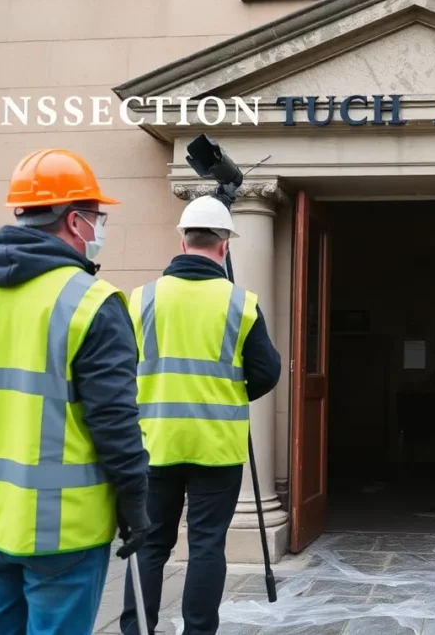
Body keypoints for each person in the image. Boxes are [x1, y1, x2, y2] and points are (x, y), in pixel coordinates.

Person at [0, 149, 152, 635]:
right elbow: (114, 420)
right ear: (75, 221)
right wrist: (137, 505)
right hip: (62, 528)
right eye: (99, 217)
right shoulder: (92, 301)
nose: (101, 228)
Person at [120, 195, 282, 635]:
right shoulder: (240, 303)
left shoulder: (141, 300)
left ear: (183, 240)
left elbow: (117, 371)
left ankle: (137, 629)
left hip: (154, 443)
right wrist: (227, 392)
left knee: (150, 545)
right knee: (207, 545)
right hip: (217, 447)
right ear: (224, 246)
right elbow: (267, 373)